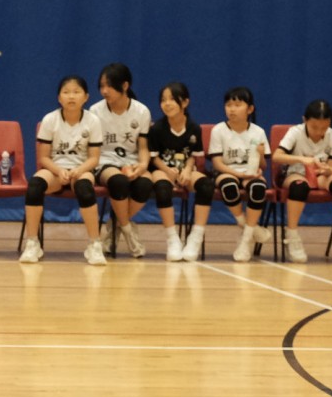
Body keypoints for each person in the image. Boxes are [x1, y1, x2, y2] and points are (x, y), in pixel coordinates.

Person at [19, 75, 107, 266]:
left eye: (76, 92)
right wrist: (59, 171)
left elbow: (94, 158)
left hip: (81, 170)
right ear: (59, 98)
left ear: (86, 97)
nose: (71, 96)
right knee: (34, 186)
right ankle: (32, 242)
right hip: (55, 171)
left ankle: (94, 244)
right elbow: (43, 157)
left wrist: (78, 170)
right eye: (66, 92)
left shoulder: (92, 121)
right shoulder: (50, 119)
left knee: (85, 188)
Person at [274, 99, 332, 264]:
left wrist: (327, 170)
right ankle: (292, 235)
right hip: (295, 173)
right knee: (299, 187)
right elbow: (277, 156)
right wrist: (302, 159)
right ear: (305, 120)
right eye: (314, 127)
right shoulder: (295, 132)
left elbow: (331, 167)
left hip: (319, 175)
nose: (319, 132)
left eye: (324, 128)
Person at [90, 62, 153, 258]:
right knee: (118, 181)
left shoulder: (142, 111)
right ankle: (127, 230)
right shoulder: (95, 111)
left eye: (109, 85)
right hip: (104, 162)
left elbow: (143, 147)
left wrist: (142, 165)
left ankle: (114, 226)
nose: (104, 91)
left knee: (145, 184)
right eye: (102, 86)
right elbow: (93, 150)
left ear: (125, 85)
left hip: (132, 162)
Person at [147, 80, 214, 261]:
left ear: (185, 102)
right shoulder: (157, 128)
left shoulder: (194, 128)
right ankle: (172, 238)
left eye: (172, 99)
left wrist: (187, 169)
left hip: (185, 169)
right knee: (162, 188)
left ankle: (195, 237)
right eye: (163, 100)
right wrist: (168, 170)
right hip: (162, 168)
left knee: (206, 186)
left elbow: (193, 155)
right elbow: (154, 157)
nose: (167, 104)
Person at [209, 85, 270, 262]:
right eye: (228, 105)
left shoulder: (258, 132)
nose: (232, 109)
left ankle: (245, 239)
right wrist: (239, 175)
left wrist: (260, 156)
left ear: (250, 109)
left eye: (237, 105)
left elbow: (263, 166)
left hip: (250, 172)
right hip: (227, 171)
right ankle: (247, 225)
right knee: (228, 185)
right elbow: (217, 163)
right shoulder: (219, 130)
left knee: (258, 187)